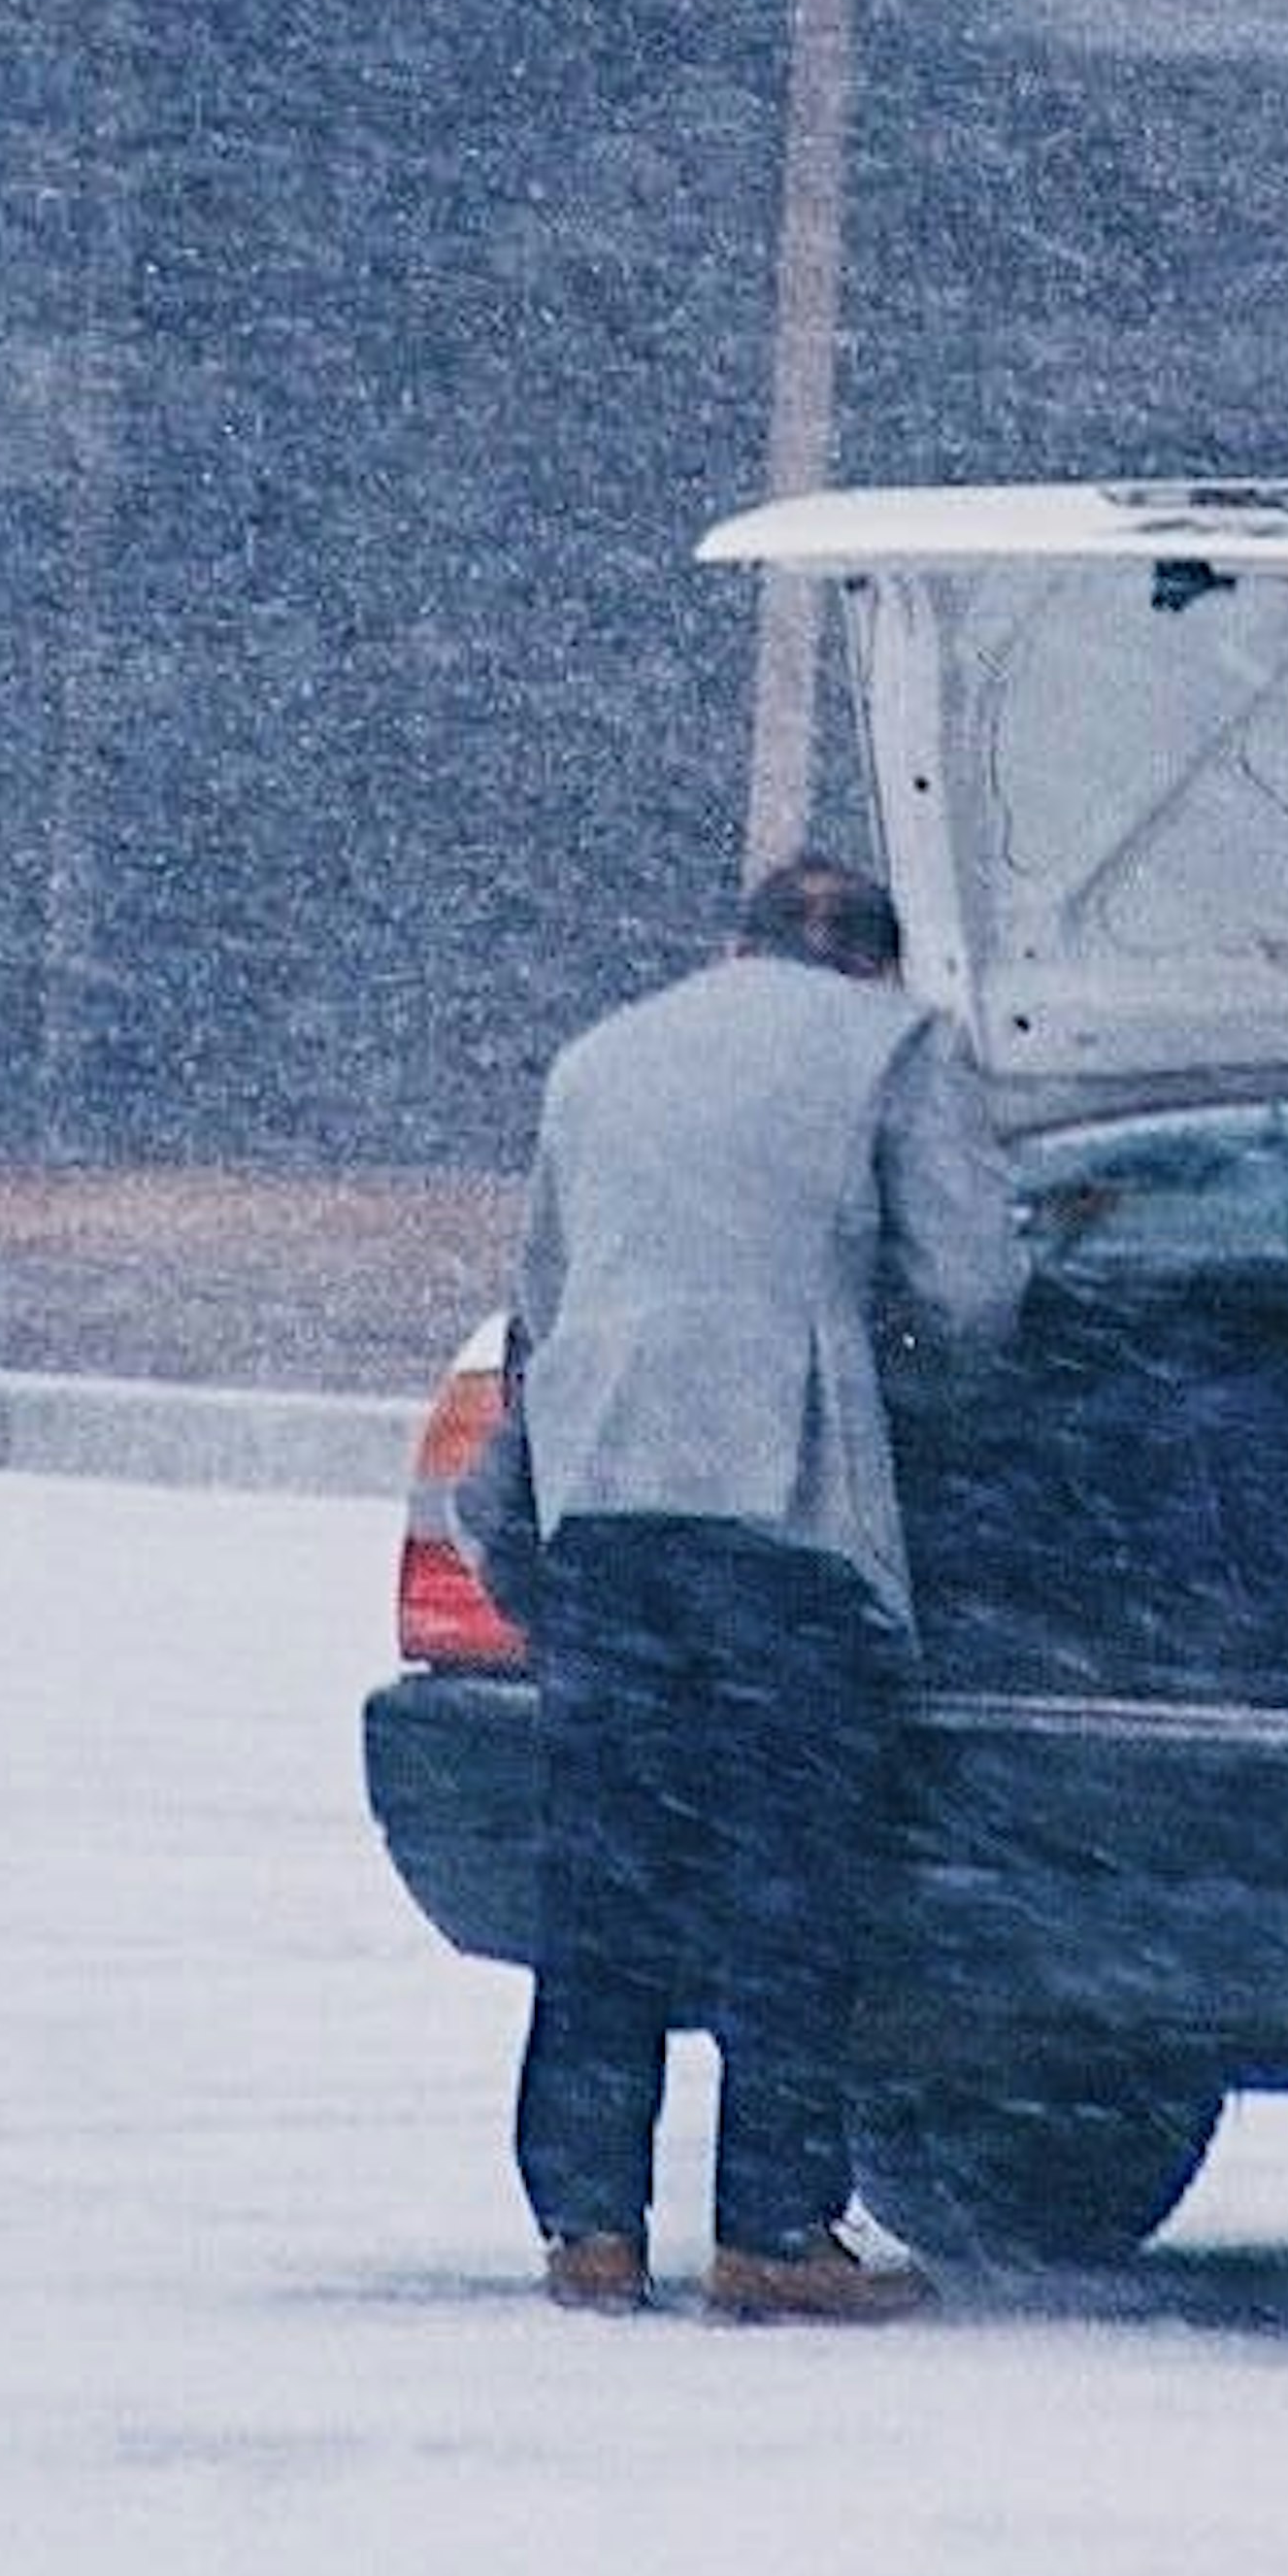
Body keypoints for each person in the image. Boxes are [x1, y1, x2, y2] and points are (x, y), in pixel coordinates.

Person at [494, 848, 1021, 2321]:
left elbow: (543, 1294)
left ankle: (589, 2223)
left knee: (606, 1869)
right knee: (789, 1874)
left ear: (738, 948)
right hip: (779, 1501)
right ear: (873, 962)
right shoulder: (900, 1047)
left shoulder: (603, 1056)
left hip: (602, 1500)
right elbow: (974, 1297)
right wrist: (905, 1368)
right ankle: (774, 2231)